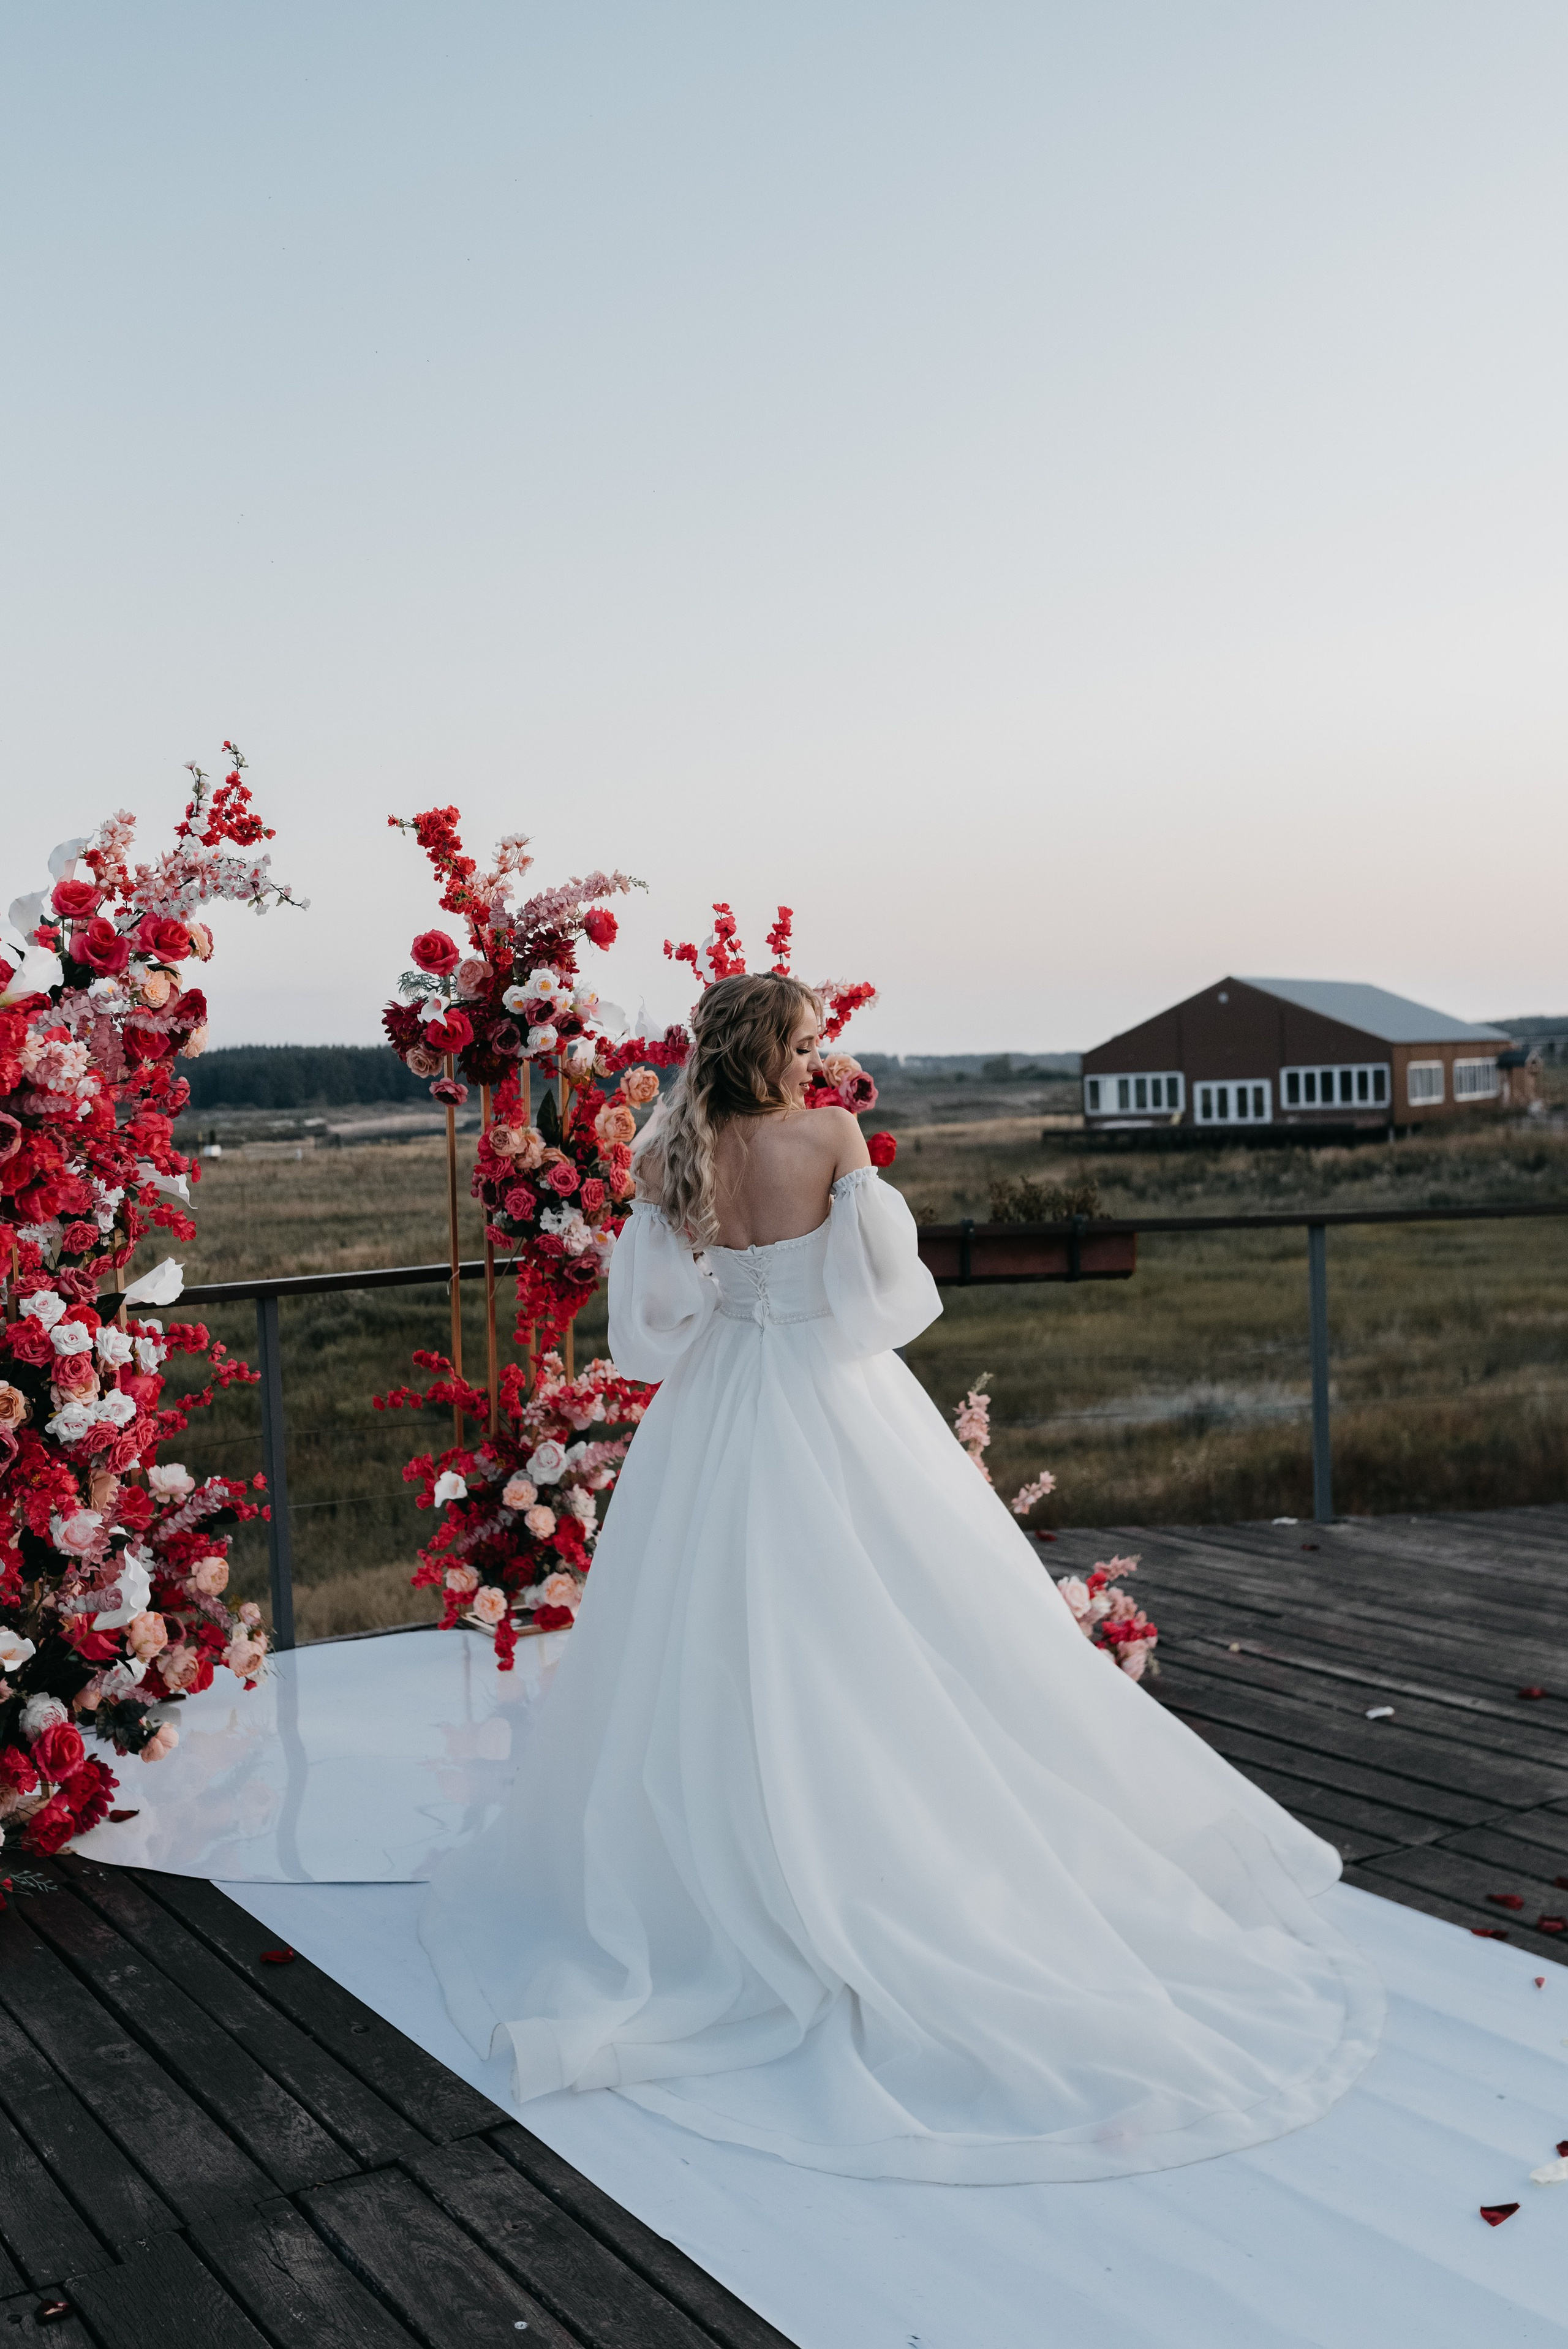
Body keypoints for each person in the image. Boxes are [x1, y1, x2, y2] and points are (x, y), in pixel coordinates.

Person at [420, 973, 1381, 2184]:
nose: (820, 1052)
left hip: (716, 1400)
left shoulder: (673, 1148)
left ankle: (724, 1856)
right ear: (779, 1045)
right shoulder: (826, 1132)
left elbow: (646, 1325)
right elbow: (883, 1296)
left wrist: (734, 1312)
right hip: (828, 1392)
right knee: (885, 1604)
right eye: (809, 1037)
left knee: (701, 1625)